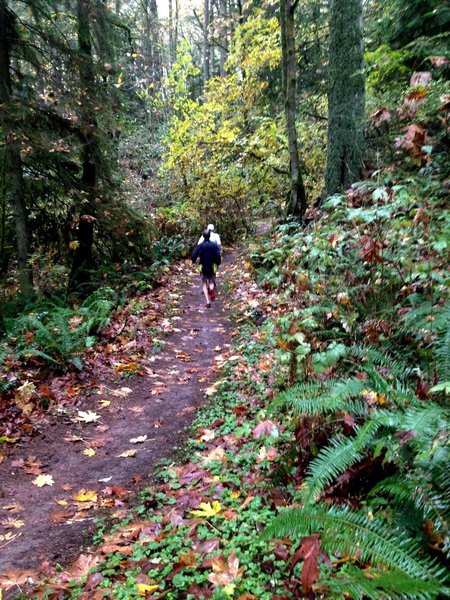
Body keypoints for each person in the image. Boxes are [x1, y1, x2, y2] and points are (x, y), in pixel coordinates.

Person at [192, 229, 221, 308]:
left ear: (203, 236)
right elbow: (218, 255)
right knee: (212, 281)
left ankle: (207, 301)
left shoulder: (200, 246)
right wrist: (218, 263)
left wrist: (193, 260)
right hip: (212, 266)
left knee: (204, 283)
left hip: (203, 266)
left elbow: (194, 255)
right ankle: (211, 289)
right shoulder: (214, 245)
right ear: (209, 236)